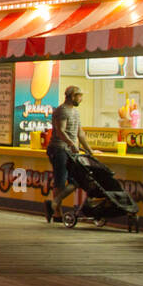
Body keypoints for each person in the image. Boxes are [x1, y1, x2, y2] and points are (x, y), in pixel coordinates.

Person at [46, 85, 95, 223]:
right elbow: (60, 131)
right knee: (60, 180)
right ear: (72, 96)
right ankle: (57, 213)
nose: (81, 99)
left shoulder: (75, 113)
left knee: (76, 181)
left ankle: (54, 203)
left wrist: (89, 150)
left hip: (71, 151)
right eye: (80, 96)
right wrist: (71, 144)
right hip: (59, 149)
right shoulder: (62, 111)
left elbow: (80, 133)